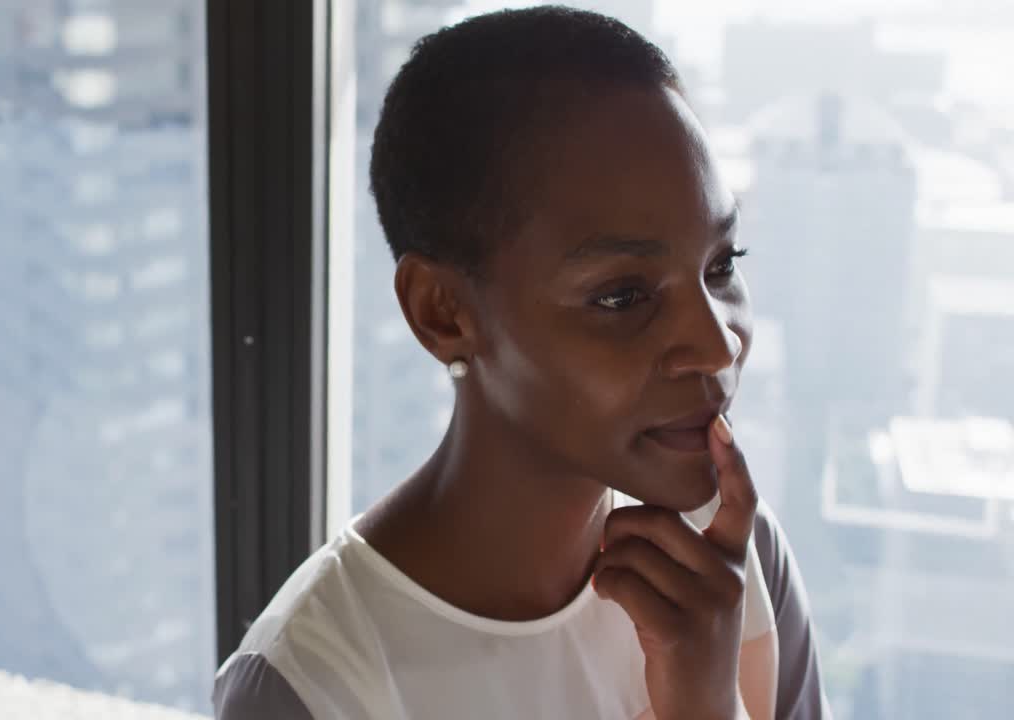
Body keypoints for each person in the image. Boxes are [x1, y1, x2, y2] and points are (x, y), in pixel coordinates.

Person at [214, 7, 829, 719]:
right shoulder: (312, 686)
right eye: (623, 296)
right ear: (443, 313)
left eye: (721, 264)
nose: (720, 345)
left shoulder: (729, 561)